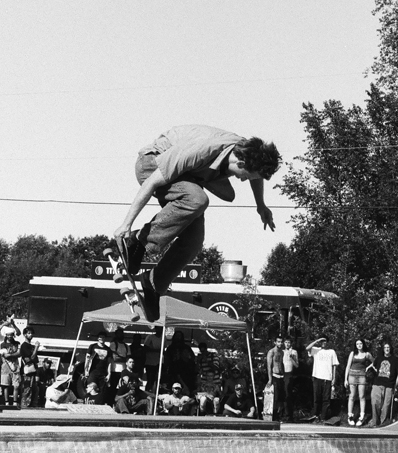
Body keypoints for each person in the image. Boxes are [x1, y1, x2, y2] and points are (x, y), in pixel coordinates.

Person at [113, 126, 281, 321]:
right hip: (152, 164)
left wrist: (260, 205)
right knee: (198, 199)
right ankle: (137, 242)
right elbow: (150, 183)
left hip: (188, 177)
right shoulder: (202, 151)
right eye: (244, 176)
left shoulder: (247, 150)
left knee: (194, 241)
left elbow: (256, 176)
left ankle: (152, 283)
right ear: (241, 162)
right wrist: (126, 225)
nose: (242, 180)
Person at [367, 340, 398, 428]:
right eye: (385, 348)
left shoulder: (395, 360)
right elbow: (374, 366)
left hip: (389, 385)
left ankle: (382, 423)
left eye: (388, 348)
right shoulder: (379, 358)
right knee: (375, 402)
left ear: (390, 349)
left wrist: (396, 384)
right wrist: (368, 368)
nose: (387, 349)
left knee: (386, 405)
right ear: (383, 349)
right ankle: (375, 421)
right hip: (377, 383)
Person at [267, 334, 298, 422]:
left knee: (282, 397)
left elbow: (283, 364)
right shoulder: (271, 352)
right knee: (276, 397)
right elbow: (269, 366)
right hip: (275, 376)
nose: (280, 343)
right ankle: (274, 415)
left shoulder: (282, 352)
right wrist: (270, 379)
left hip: (282, 376)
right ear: (275, 342)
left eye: (281, 342)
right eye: (278, 342)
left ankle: (279, 415)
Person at [307, 336, 339, 422]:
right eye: (322, 342)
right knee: (317, 397)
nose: (323, 343)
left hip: (327, 377)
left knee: (326, 399)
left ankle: (324, 417)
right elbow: (307, 348)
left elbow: (334, 365)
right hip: (317, 376)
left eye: (325, 342)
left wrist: (334, 377)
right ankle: (316, 415)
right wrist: (317, 340)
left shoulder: (331, 352)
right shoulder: (316, 350)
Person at [345, 337, 374, 427]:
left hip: (362, 376)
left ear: (363, 344)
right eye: (357, 344)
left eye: (360, 344)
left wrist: (368, 367)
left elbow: (375, 362)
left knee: (362, 396)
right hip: (352, 376)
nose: (359, 345)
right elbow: (348, 366)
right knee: (352, 396)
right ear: (355, 345)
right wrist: (345, 379)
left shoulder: (367, 354)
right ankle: (350, 415)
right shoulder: (352, 353)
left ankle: (361, 416)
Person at [18, 326, 41, 409]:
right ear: (25, 335)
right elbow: (30, 358)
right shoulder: (24, 346)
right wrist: (36, 348)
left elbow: (35, 359)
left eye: (31, 333)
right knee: (26, 389)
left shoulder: (31, 346)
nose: (31, 335)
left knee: (35, 389)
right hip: (27, 372)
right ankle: (24, 405)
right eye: (29, 333)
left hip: (33, 371)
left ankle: (33, 404)